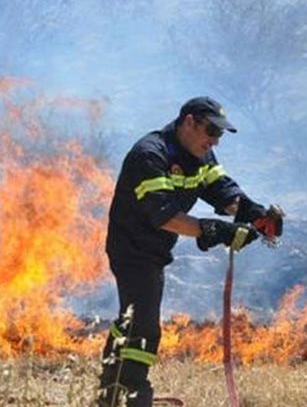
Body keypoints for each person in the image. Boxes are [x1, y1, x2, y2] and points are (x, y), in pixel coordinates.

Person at [96, 96, 284, 407]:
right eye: (211, 130)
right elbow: (164, 216)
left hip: (157, 249)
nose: (215, 140)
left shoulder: (201, 154)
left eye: (220, 134)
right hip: (131, 248)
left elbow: (222, 191)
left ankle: (113, 392)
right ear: (189, 122)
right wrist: (216, 231)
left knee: (135, 319)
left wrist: (254, 214)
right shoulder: (150, 154)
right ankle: (128, 393)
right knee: (142, 323)